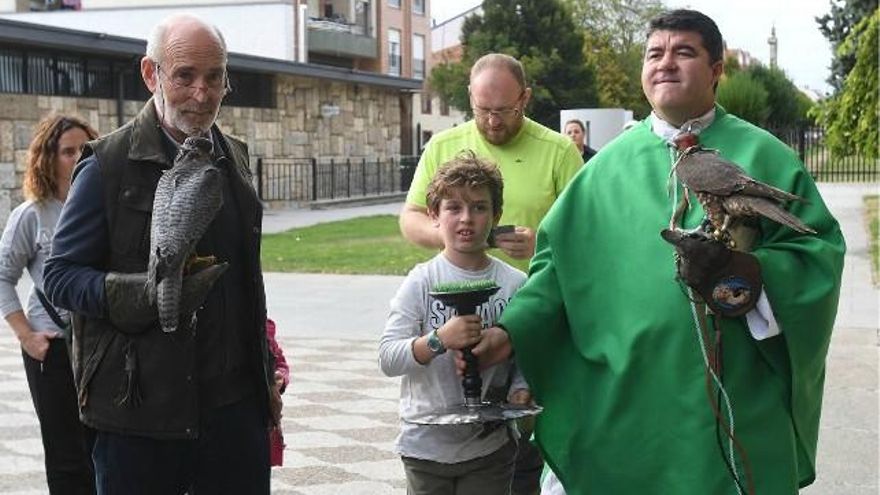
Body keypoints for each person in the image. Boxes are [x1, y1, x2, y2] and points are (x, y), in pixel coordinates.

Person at [468, 9, 846, 494]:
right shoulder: (601, 172)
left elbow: (816, 260)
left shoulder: (764, 156)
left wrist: (745, 273)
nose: (665, 62)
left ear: (716, 70)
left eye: (684, 52)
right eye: (654, 54)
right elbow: (555, 274)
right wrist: (509, 332)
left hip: (733, 400)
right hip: (624, 405)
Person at [43, 14, 274, 494]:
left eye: (214, 76)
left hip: (233, 412)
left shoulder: (235, 157)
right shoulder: (107, 164)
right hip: (138, 415)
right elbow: (60, 277)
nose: (202, 93)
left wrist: (265, 377)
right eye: (185, 75)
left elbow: (247, 285)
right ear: (152, 74)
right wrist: (143, 296)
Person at [379, 154, 531, 495]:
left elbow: (525, 351)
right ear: (434, 215)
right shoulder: (422, 282)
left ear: (496, 215)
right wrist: (438, 340)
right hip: (426, 446)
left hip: (489, 448)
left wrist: (521, 388)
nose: (466, 219)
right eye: (453, 207)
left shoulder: (514, 285)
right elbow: (388, 357)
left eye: (479, 207)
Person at [400, 53, 584, 273]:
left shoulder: (560, 152)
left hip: (535, 289)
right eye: (483, 109)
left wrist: (542, 245)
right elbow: (412, 217)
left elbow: (587, 230)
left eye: (504, 110)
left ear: (524, 98)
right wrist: (457, 236)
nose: (493, 121)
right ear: (471, 96)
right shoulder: (441, 146)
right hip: (460, 290)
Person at [0, 114, 97, 494]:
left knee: (105, 446)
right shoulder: (32, 215)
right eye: (67, 151)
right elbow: (2, 277)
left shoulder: (104, 205)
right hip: (53, 347)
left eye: (84, 149)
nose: (77, 158)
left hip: (102, 345)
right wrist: (27, 336)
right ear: (48, 158)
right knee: (66, 453)